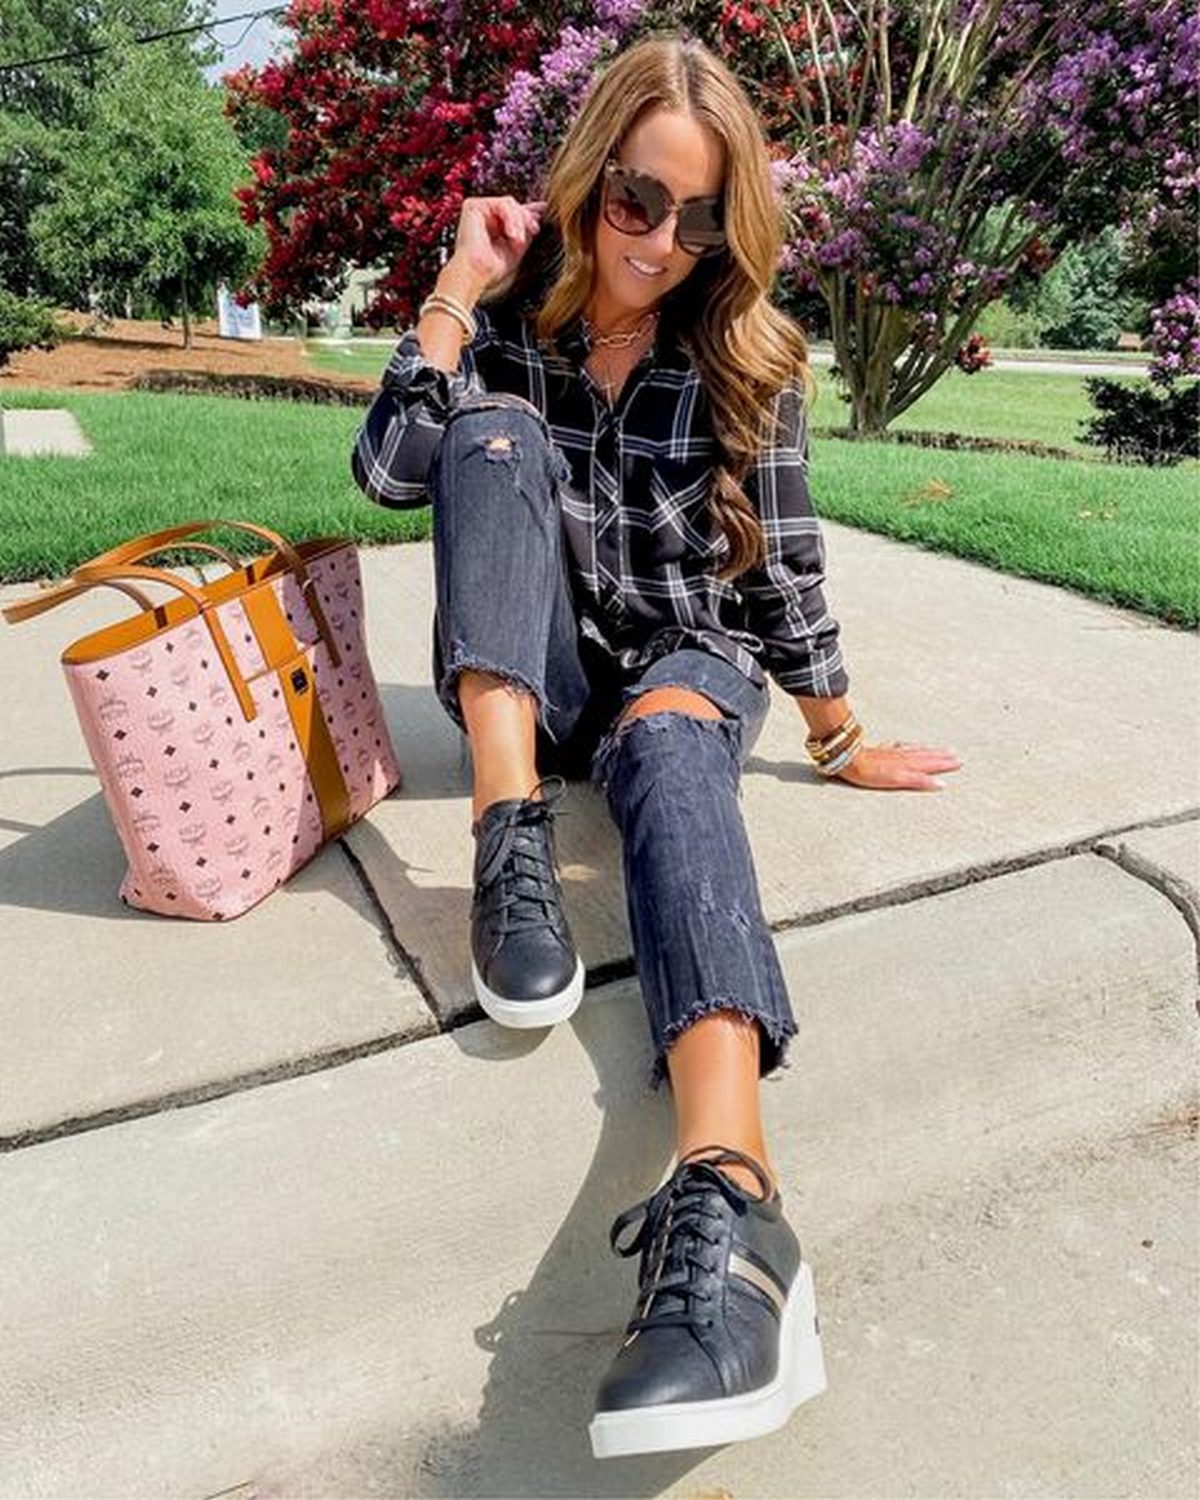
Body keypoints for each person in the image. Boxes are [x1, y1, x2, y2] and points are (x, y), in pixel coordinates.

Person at [351, 32, 961, 1460]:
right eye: (639, 202)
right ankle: (512, 855)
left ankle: (735, 1218)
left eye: (700, 219)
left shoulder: (745, 348)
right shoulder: (507, 319)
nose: (664, 244)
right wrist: (455, 288)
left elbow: (784, 572)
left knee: (684, 740)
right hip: (543, 689)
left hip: (684, 661)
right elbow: (389, 471)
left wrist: (838, 732)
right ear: (586, 182)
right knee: (490, 436)